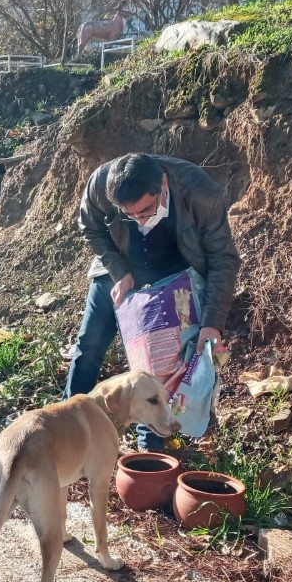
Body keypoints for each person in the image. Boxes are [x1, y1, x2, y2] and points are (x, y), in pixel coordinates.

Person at [64, 153, 241, 451]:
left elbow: (223, 259)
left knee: (158, 365)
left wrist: (212, 325)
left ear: (162, 183)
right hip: (119, 269)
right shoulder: (100, 184)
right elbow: (90, 228)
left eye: (146, 210)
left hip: (173, 277)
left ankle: (151, 454)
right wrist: (120, 271)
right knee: (90, 345)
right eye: (129, 214)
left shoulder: (200, 193)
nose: (140, 220)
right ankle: (68, 433)